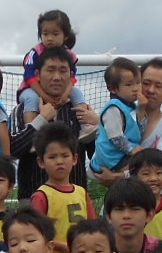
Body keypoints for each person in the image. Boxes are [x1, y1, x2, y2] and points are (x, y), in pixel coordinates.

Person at [11, 47, 99, 199]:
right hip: (33, 202)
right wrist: (41, 120)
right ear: (37, 74)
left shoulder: (80, 110)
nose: (57, 77)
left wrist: (99, 126)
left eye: (63, 70)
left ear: (71, 75)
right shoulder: (21, 110)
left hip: (75, 201)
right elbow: (13, 150)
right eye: (50, 70)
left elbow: (95, 153)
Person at [29, 123, 94, 253]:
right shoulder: (42, 196)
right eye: (52, 157)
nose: (59, 161)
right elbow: (35, 234)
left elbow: (92, 227)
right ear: (41, 161)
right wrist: (62, 246)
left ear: (75, 158)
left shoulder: (81, 193)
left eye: (65, 155)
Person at [89, 58, 144, 179]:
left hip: (120, 156)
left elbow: (139, 130)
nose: (136, 88)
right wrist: (132, 150)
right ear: (113, 88)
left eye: (138, 82)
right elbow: (116, 137)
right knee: (144, 166)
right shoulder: (113, 108)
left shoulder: (131, 107)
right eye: (129, 84)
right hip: (112, 158)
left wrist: (142, 109)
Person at [101, 177, 158, 253]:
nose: (126, 215)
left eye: (135, 208)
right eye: (119, 209)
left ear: (150, 215)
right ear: (108, 216)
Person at [125, 149, 162, 248]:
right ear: (134, 176)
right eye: (146, 174)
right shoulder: (125, 209)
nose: (153, 178)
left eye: (159, 173)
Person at [20, 9, 81, 93]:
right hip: (31, 89)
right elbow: (29, 75)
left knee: (77, 93)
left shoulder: (70, 55)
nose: (49, 38)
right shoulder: (35, 53)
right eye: (45, 34)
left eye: (55, 34)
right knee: (31, 99)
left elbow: (73, 75)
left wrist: (65, 94)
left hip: (60, 90)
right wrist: (45, 97)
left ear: (65, 35)